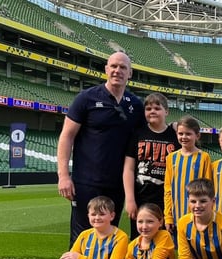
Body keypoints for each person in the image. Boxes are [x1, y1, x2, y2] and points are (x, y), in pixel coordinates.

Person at [57, 51, 145, 246]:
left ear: (130, 73)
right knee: (82, 238)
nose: (117, 70)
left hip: (117, 184)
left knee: (109, 238)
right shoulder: (86, 98)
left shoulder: (136, 106)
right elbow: (67, 136)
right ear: (106, 69)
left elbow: (149, 133)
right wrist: (63, 176)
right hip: (86, 182)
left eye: (123, 67)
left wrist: (174, 129)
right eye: (113, 66)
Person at [123, 92, 178, 239]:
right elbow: (128, 168)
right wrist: (130, 199)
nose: (152, 111)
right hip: (141, 196)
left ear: (166, 111)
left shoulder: (175, 136)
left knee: (165, 241)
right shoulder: (137, 134)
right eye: (148, 109)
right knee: (140, 240)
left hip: (166, 199)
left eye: (157, 108)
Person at [56, 196, 128, 259]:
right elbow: (71, 256)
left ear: (112, 216)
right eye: (93, 214)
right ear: (88, 216)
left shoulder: (120, 237)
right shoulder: (84, 235)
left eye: (102, 214)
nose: (97, 218)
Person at [163, 115, 212, 235]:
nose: (184, 137)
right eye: (180, 133)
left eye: (188, 134)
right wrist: (168, 216)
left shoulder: (204, 157)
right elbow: (168, 189)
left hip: (198, 215)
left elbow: (208, 189)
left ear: (197, 135)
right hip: (176, 216)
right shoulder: (171, 158)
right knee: (181, 251)